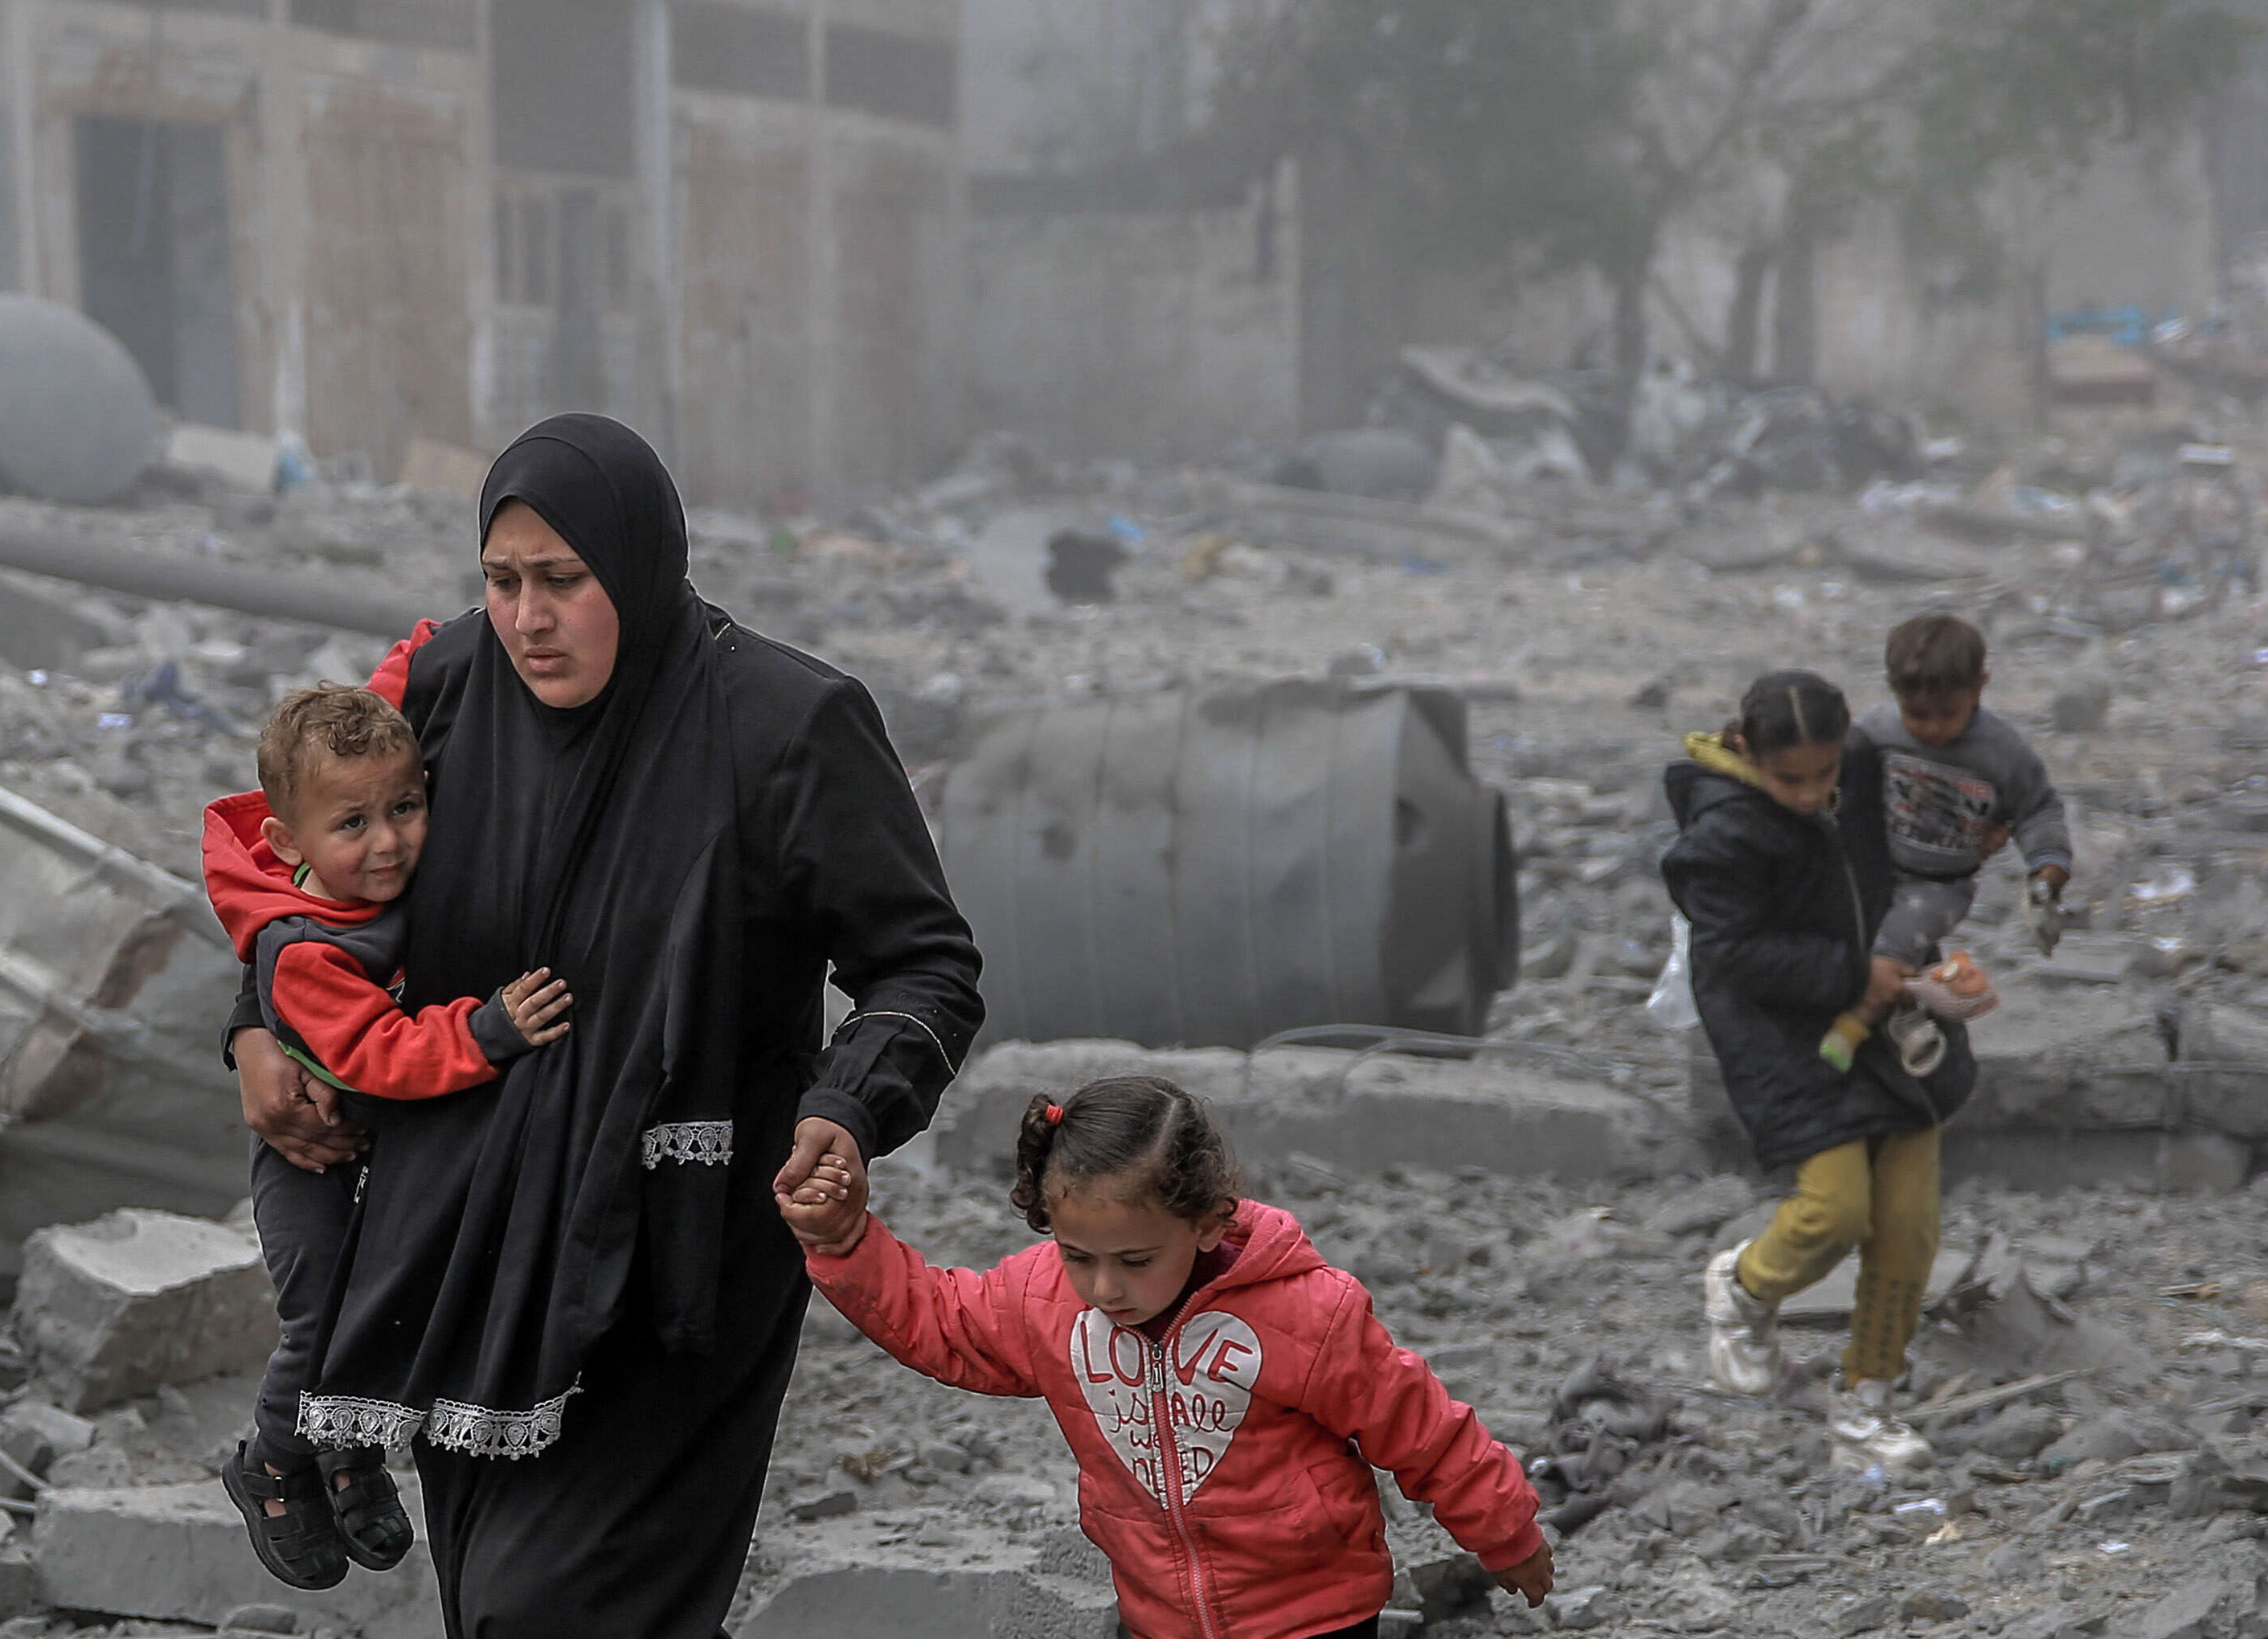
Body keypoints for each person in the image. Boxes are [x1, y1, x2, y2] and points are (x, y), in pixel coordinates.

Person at [223, 413, 983, 1639]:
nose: (528, 616)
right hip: (460, 1244)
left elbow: (924, 966)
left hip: (676, 1264)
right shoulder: (444, 691)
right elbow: (312, 880)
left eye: (563, 582)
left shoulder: (783, 726)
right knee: (502, 1607)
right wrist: (254, 1036)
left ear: (635, 564)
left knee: (554, 1611)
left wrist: (846, 1108)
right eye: (502, 581)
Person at [775, 1075, 1551, 1639]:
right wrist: (845, 1242)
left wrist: (1505, 1533)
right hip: (1159, 1614)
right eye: (1079, 1255)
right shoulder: (1044, 1301)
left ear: (1210, 1225)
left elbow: (1422, 1429)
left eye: (1137, 1261)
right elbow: (939, 1320)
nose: (1106, 1288)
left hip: (1315, 1612)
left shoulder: (1306, 1312)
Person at [199, 684, 577, 1589]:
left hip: (381, 1141)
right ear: (288, 844)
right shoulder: (303, 948)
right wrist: (488, 1032)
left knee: (388, 1304)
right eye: (354, 824)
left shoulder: (384, 885)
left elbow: (413, 666)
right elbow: (379, 1053)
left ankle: (353, 1455)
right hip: (311, 1155)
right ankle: (276, 1465)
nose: (388, 842)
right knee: (324, 1317)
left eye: (405, 808)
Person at [1664, 670, 1974, 1471]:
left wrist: (1929, 964)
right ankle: (1744, 1286)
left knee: (1907, 1229)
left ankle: (1866, 1404)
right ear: (1744, 750)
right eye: (1787, 779)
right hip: (1785, 1039)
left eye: (1823, 773)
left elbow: (1915, 872)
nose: (1808, 794)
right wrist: (1852, 974)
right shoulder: (1722, 837)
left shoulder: (1867, 778)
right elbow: (1729, 956)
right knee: (1835, 1211)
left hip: (1890, 1023)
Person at [1852, 615, 2058, 1057]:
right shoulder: (1877, 732)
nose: (1932, 729)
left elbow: (2037, 807)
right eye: (1917, 715)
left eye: (1948, 714)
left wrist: (2048, 864)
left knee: (1893, 947)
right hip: (1876, 864)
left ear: (1979, 688)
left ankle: (1884, 1021)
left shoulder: (2001, 752)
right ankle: (1910, 999)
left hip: (1940, 885)